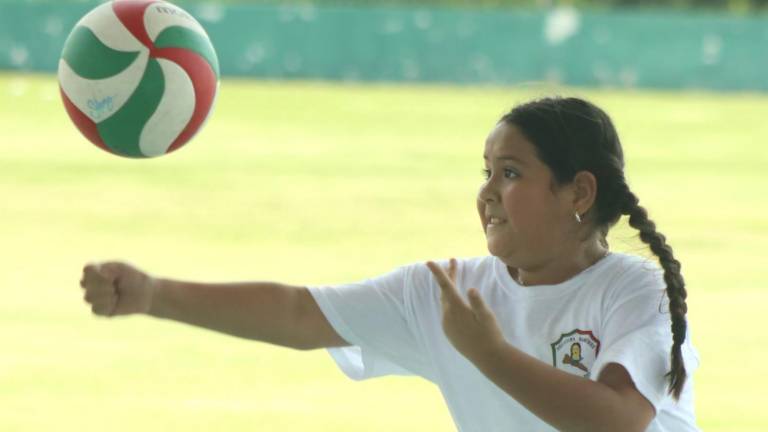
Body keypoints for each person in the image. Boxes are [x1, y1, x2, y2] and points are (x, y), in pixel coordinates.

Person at [80, 96, 700, 432]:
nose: (487, 192)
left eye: (510, 174)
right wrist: (152, 294)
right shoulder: (447, 291)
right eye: (485, 172)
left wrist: (487, 354)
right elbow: (298, 313)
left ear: (580, 193)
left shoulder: (635, 290)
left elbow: (617, 423)